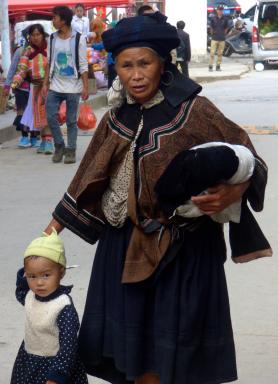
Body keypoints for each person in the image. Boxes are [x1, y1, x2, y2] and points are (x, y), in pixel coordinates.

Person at [43, 12, 269, 384]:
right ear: (115, 68)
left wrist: (234, 190)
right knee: (138, 360)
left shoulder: (196, 111)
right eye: (126, 65)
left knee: (176, 361)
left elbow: (249, 159)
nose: (135, 75)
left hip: (186, 253)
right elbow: (89, 177)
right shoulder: (116, 117)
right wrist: (50, 233)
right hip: (124, 247)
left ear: (163, 62)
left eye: (144, 63)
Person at [10, 229, 88, 384]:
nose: (39, 282)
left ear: (61, 273)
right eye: (32, 276)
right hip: (29, 360)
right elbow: (21, 291)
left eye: (46, 275)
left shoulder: (63, 307)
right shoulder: (30, 296)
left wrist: (56, 377)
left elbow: (68, 346)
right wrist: (23, 276)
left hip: (55, 365)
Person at [43, 6, 89, 164]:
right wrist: (45, 84)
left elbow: (83, 65)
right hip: (55, 85)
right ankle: (59, 145)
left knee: (71, 121)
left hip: (73, 87)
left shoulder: (79, 38)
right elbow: (49, 63)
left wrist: (85, 87)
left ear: (63, 20)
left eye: (54, 18)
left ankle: (71, 150)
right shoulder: (52, 38)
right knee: (50, 117)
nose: (52, 21)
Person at [11, 24, 54, 153]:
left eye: (38, 34)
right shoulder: (27, 51)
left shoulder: (51, 48)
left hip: (50, 86)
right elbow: (22, 69)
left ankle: (48, 142)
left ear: (43, 35)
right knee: (39, 115)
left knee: (48, 113)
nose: (35, 38)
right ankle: (45, 141)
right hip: (35, 87)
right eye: (33, 35)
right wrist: (15, 82)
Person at [4, 28, 30, 148]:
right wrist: (7, 85)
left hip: (36, 88)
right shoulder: (20, 51)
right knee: (22, 112)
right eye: (31, 35)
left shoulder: (41, 52)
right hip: (20, 88)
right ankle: (24, 137)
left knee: (33, 113)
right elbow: (12, 69)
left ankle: (34, 137)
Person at [208, 5, 229, 71]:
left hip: (222, 39)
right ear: (217, 10)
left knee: (220, 53)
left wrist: (223, 34)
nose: (220, 11)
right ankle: (210, 66)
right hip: (214, 38)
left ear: (223, 11)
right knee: (212, 53)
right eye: (219, 10)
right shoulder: (213, 18)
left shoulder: (225, 19)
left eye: (221, 10)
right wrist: (213, 34)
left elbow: (226, 28)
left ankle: (218, 66)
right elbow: (211, 27)